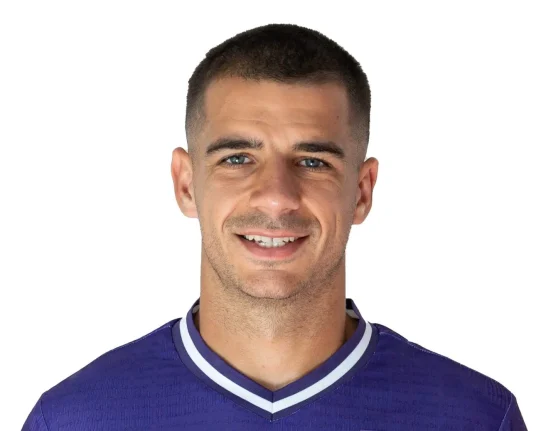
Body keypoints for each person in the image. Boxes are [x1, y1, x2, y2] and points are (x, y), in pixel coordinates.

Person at [22, 23, 527, 430]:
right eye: (237, 158)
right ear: (186, 184)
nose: (276, 196)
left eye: (313, 162)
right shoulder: (72, 419)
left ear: (362, 191)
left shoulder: (476, 417)